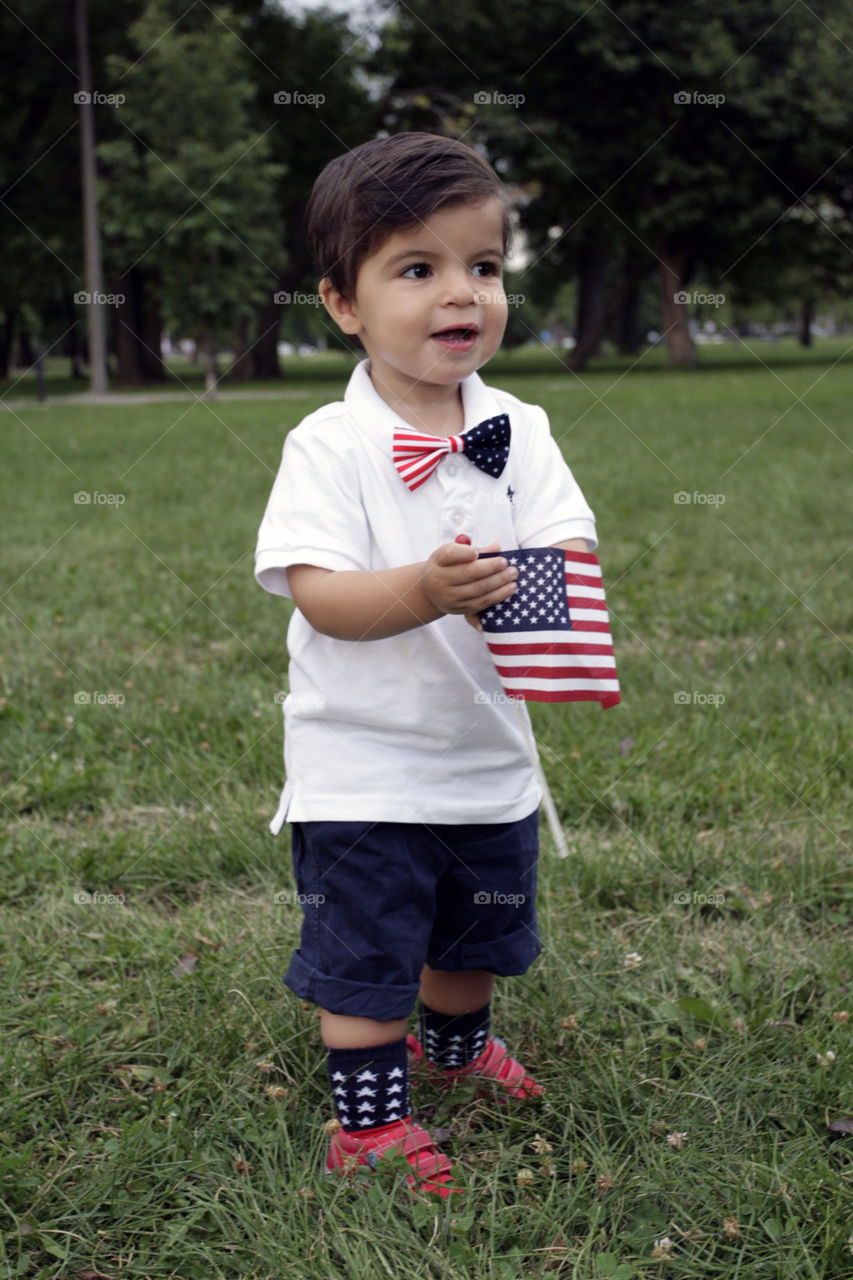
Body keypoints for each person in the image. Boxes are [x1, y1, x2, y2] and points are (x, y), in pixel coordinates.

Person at [255, 132, 598, 1199]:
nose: (460, 293)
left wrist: (553, 615)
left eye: (482, 266)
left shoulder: (518, 425)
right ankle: (367, 1119)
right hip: (363, 764)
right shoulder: (330, 443)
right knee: (368, 949)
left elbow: (562, 545)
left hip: (482, 753)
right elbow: (319, 591)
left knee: (473, 930)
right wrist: (426, 588)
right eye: (417, 268)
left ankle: (455, 1049)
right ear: (342, 303)